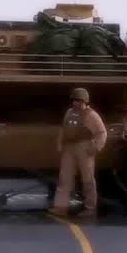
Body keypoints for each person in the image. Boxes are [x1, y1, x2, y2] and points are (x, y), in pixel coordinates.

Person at [50, 87, 107, 219]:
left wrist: (97, 146)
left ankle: (90, 208)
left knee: (87, 179)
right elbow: (63, 129)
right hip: (69, 148)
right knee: (64, 178)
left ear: (85, 101)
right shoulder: (69, 112)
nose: (77, 103)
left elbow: (102, 133)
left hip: (85, 148)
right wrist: (60, 143)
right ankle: (61, 207)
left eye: (80, 100)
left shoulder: (91, 115)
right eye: (75, 100)